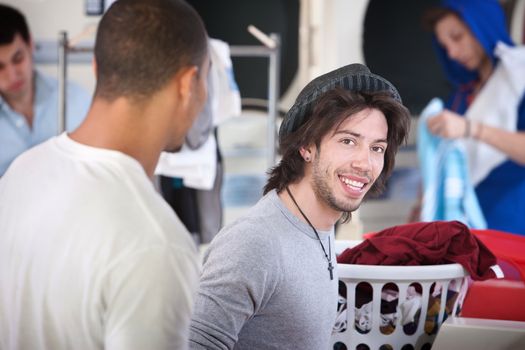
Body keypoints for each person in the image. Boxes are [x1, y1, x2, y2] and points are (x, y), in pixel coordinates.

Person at [0, 0, 209, 349]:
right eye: (206, 77)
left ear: (97, 68)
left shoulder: (20, 174)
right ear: (188, 83)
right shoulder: (157, 245)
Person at [189, 63, 411, 349]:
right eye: (348, 141)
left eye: (376, 148)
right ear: (306, 146)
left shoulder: (319, 227)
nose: (364, 163)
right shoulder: (254, 243)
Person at [421, 0, 525, 235]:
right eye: (445, 46)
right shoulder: (460, 97)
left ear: (482, 24)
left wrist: (472, 129)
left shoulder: (519, 73)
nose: (453, 53)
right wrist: (422, 206)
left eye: (457, 37)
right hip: (465, 227)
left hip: (513, 223)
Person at [0, 4, 91, 176]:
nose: (12, 75)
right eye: (0, 67)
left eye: (18, 59)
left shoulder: (77, 101)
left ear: (31, 45)